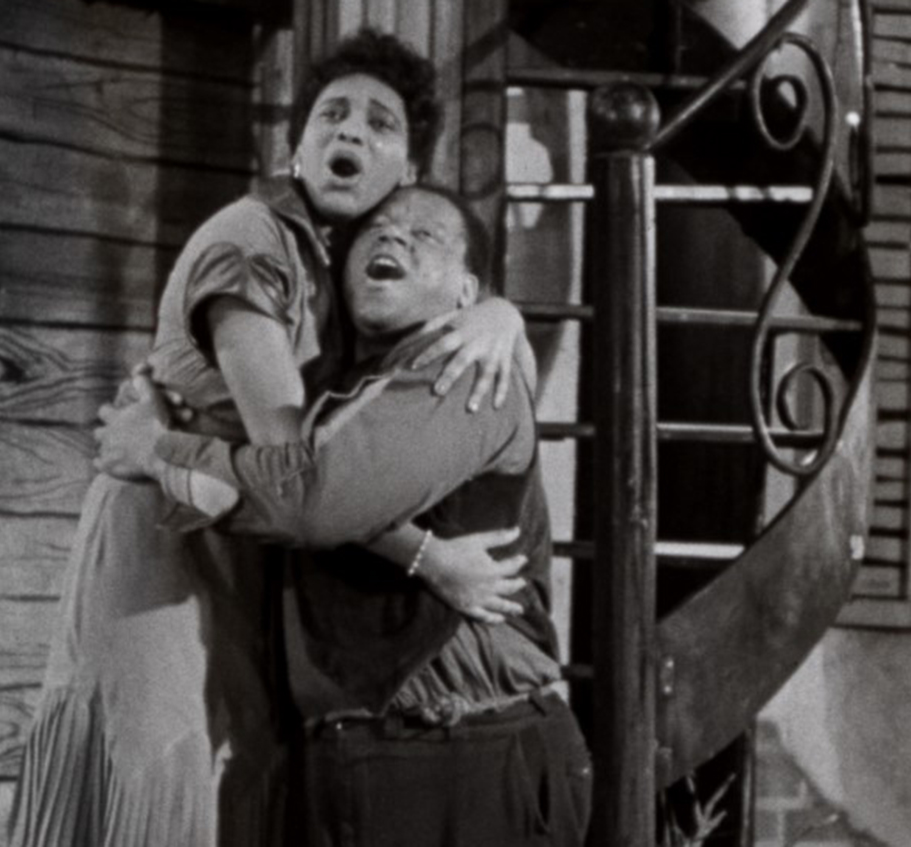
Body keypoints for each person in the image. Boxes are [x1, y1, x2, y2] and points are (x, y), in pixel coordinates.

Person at [6, 31, 530, 847]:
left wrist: (499, 312)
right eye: (332, 115)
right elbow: (301, 471)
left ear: (410, 174)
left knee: (238, 777)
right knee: (167, 783)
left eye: (379, 124)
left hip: (247, 540)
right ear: (297, 145)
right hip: (171, 539)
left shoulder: (350, 265)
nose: (349, 133)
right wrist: (430, 557)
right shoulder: (252, 241)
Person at [95, 185, 591, 846]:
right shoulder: (336, 396)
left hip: (460, 752)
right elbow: (321, 486)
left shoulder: (467, 368)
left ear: (467, 292)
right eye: (380, 228)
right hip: (367, 755)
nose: (393, 237)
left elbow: (313, 499)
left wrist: (157, 450)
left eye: (426, 236)